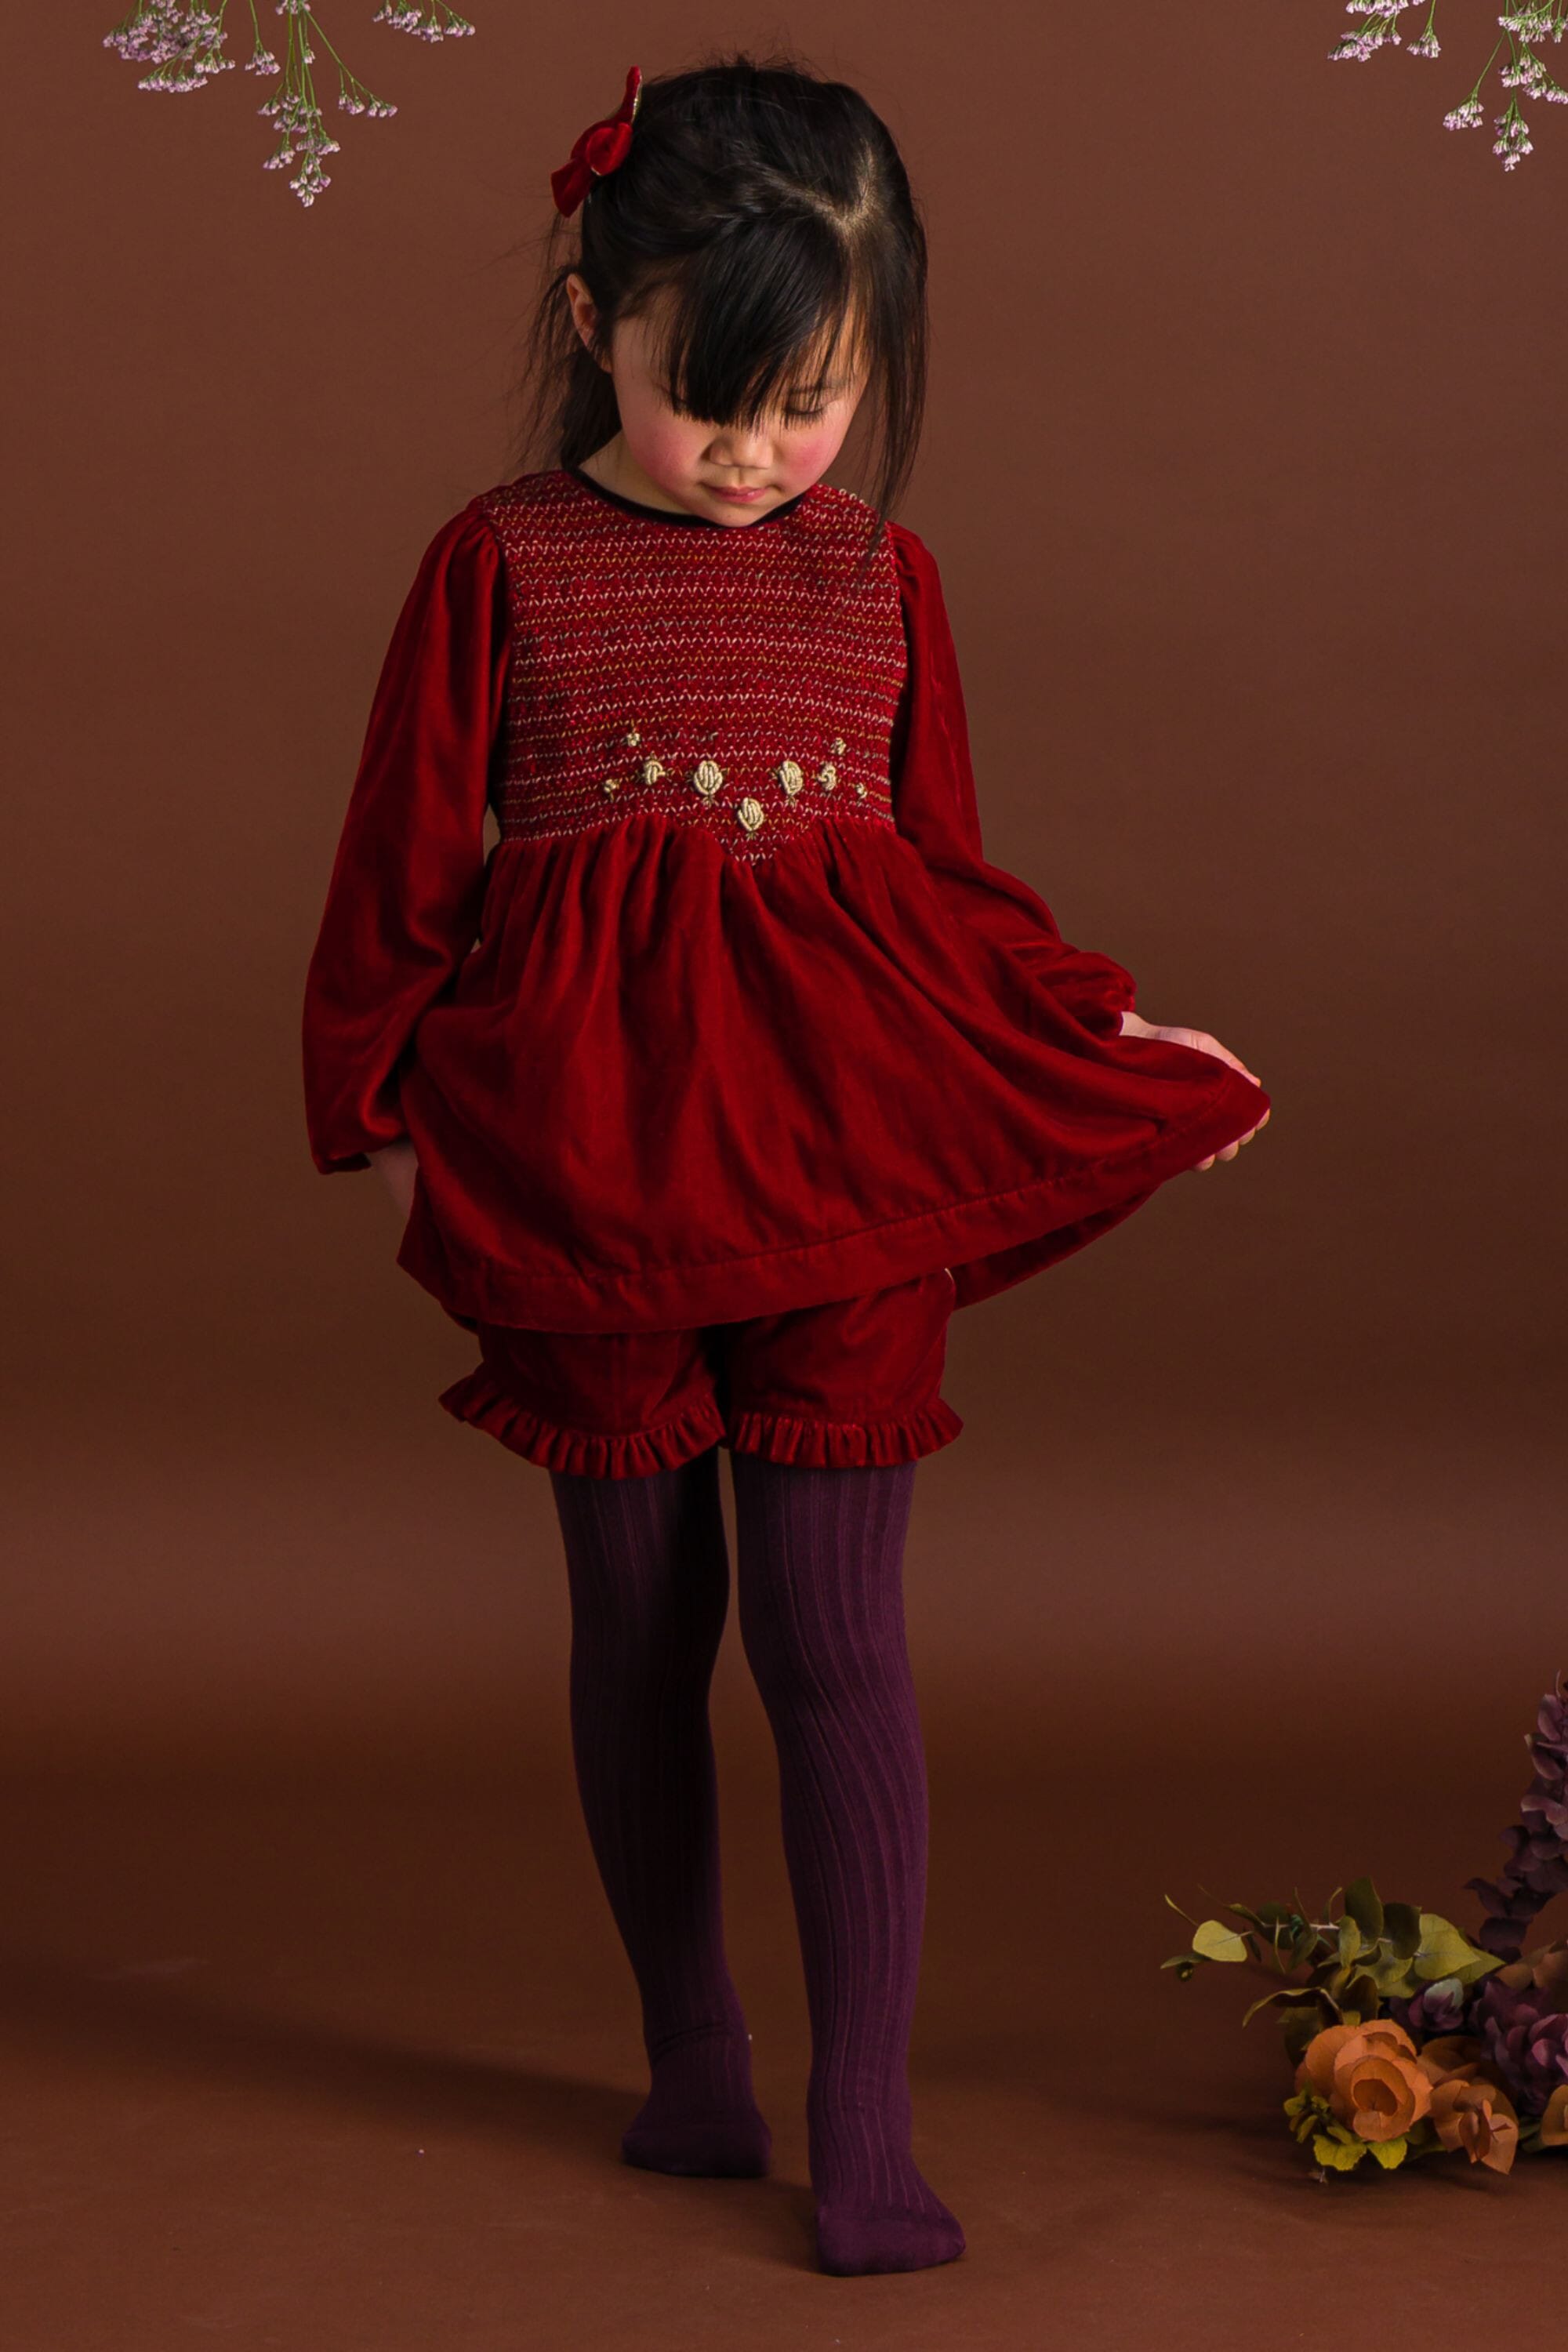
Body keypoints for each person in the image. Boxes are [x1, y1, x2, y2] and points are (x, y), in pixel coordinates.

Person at [299, 53, 1270, 2277]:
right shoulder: (499, 563)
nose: (754, 453)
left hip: (849, 1166)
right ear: (595, 323)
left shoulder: (884, 579)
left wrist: (1101, 1024)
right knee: (641, 1633)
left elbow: (946, 880)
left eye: (811, 404)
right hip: (587, 1174)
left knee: (836, 1641)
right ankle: (695, 2049)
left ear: (874, 369)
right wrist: (376, 1125)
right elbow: (395, 879)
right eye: (707, 399)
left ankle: (866, 2117)